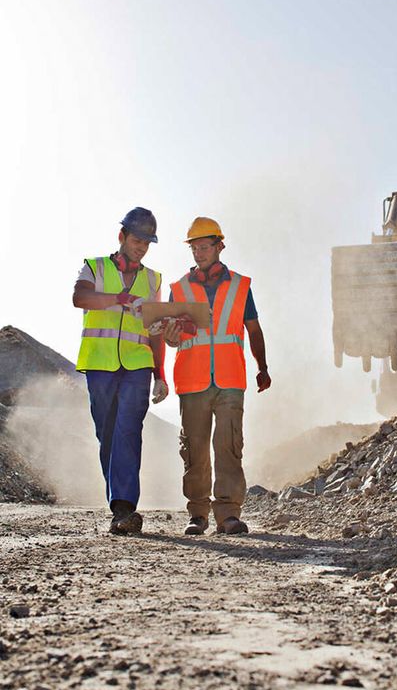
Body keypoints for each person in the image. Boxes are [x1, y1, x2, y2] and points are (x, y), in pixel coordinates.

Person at [164, 216, 271, 536]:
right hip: (192, 379)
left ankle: (228, 515)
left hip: (230, 379)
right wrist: (169, 335)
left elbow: (253, 329)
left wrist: (262, 367)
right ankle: (198, 514)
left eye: (204, 247)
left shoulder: (240, 286)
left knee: (228, 446)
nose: (198, 253)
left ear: (219, 246)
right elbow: (171, 339)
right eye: (194, 248)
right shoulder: (179, 289)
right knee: (194, 449)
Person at [73, 207, 168, 535]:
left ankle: (124, 507)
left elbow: (155, 329)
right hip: (99, 365)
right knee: (108, 434)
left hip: (137, 364)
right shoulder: (95, 267)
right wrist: (116, 298)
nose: (142, 246)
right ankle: (118, 500)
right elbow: (79, 297)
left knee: (128, 430)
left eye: (147, 241)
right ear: (122, 236)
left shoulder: (153, 279)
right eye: (137, 238)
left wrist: (160, 375)